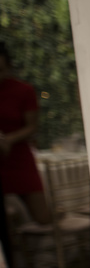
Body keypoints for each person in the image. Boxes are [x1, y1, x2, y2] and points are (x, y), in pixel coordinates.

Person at [0, 41, 51, 228]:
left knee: (42, 217)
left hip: (19, 158)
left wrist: (8, 140)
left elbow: (32, 127)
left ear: (8, 66)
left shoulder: (23, 90)